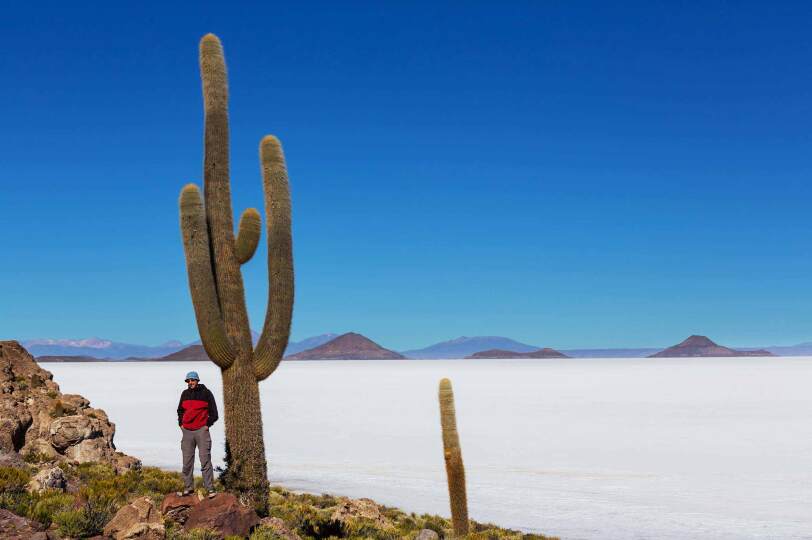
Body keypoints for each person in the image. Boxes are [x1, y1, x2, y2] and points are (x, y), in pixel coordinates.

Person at [176, 371, 218, 496]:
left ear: (197, 380)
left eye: (192, 380)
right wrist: (181, 424)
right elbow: (180, 410)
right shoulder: (185, 394)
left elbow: (214, 413)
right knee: (187, 462)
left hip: (201, 431)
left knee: (205, 460)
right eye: (188, 381)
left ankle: (210, 489)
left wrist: (206, 425)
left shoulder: (206, 393)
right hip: (187, 431)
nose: (190, 383)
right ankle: (188, 488)